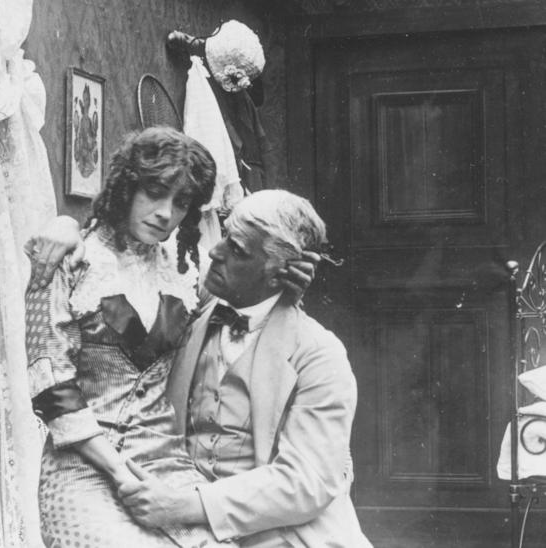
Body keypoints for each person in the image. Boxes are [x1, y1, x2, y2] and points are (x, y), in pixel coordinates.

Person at [117, 189, 373, 547]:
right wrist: (65, 228)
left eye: (236, 250)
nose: (214, 252)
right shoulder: (192, 309)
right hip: (175, 518)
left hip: (281, 534)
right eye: (224, 235)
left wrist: (187, 506)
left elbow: (306, 482)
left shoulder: (319, 354)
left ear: (280, 272)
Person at [25, 127, 233, 547]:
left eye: (181, 203)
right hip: (84, 470)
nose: (165, 213)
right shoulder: (70, 260)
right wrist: (120, 473)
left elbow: (251, 299)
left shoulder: (184, 272)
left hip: (166, 467)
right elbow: (51, 391)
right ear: (126, 186)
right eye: (154, 192)